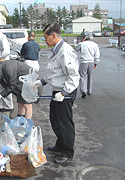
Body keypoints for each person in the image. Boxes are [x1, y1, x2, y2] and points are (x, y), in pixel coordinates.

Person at [33, 23, 80, 164]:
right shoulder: (55, 50)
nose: (44, 40)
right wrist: (42, 82)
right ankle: (60, 144)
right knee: (55, 119)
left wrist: (64, 93)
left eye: (46, 37)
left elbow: (73, 76)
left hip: (65, 91)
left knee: (64, 122)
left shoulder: (65, 51)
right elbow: (54, 72)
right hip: (57, 91)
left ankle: (67, 151)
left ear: (54, 36)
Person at [75, 33, 100, 98]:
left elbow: (76, 49)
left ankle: (84, 91)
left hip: (84, 62)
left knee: (83, 77)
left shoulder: (82, 44)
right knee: (90, 77)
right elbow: (97, 55)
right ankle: (89, 91)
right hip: (91, 62)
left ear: (85, 38)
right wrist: (96, 63)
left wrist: (82, 41)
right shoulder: (95, 45)